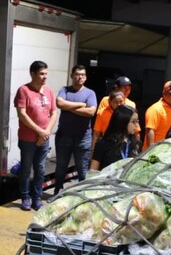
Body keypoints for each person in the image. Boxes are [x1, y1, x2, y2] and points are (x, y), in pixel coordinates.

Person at [14, 60, 58, 211]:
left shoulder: (49, 92)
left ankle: (37, 197)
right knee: (26, 168)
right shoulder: (24, 90)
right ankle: (25, 197)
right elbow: (22, 114)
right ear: (32, 74)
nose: (45, 77)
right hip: (28, 139)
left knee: (40, 169)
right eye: (41, 74)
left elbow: (54, 113)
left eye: (46, 73)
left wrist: (46, 132)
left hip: (44, 138)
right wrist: (40, 131)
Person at [54, 65, 97, 194]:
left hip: (83, 138)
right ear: (72, 76)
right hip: (64, 136)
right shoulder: (65, 90)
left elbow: (91, 112)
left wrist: (69, 107)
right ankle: (57, 192)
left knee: (82, 169)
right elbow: (59, 103)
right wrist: (80, 105)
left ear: (86, 77)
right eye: (77, 74)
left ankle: (81, 195)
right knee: (61, 167)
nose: (80, 77)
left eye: (83, 75)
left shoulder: (90, 93)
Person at [90, 104, 139, 171]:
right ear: (122, 122)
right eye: (133, 122)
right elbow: (93, 171)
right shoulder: (102, 144)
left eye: (137, 121)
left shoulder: (135, 143)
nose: (137, 125)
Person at [144, 80, 171, 150]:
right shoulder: (155, 109)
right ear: (164, 94)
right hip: (156, 150)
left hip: (170, 150)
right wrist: (150, 151)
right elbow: (150, 131)